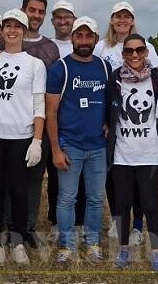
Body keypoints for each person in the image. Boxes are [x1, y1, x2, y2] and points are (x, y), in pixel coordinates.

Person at [96, 1, 158, 247]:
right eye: (118, 17)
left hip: (143, 130)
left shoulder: (149, 47)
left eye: (127, 17)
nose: (122, 20)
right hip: (116, 121)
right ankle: (118, 221)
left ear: (132, 20)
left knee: (141, 187)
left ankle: (137, 226)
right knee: (116, 181)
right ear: (112, 20)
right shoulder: (101, 47)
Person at [46, 16, 110, 267]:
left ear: (95, 39)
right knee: (67, 198)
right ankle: (66, 245)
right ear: (72, 38)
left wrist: (107, 121)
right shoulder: (60, 69)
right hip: (70, 145)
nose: (84, 40)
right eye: (79, 35)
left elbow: (109, 103)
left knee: (95, 198)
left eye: (88, 36)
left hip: (97, 146)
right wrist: (56, 149)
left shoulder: (104, 67)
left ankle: (92, 242)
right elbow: (51, 112)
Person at [0, 9, 46, 267]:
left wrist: (37, 140)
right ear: (1, 30)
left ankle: (18, 241)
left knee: (20, 192)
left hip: (22, 137)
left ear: (24, 30)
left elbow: (39, 104)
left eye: (17, 26)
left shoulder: (35, 64)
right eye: (7, 26)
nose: (12, 30)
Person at [106, 34, 158, 272]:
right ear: (123, 54)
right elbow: (108, 110)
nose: (134, 55)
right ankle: (123, 250)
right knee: (122, 204)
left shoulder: (156, 81)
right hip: (122, 153)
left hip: (149, 154)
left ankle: (156, 254)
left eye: (139, 50)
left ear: (146, 52)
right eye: (129, 51)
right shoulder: (115, 80)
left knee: (150, 205)